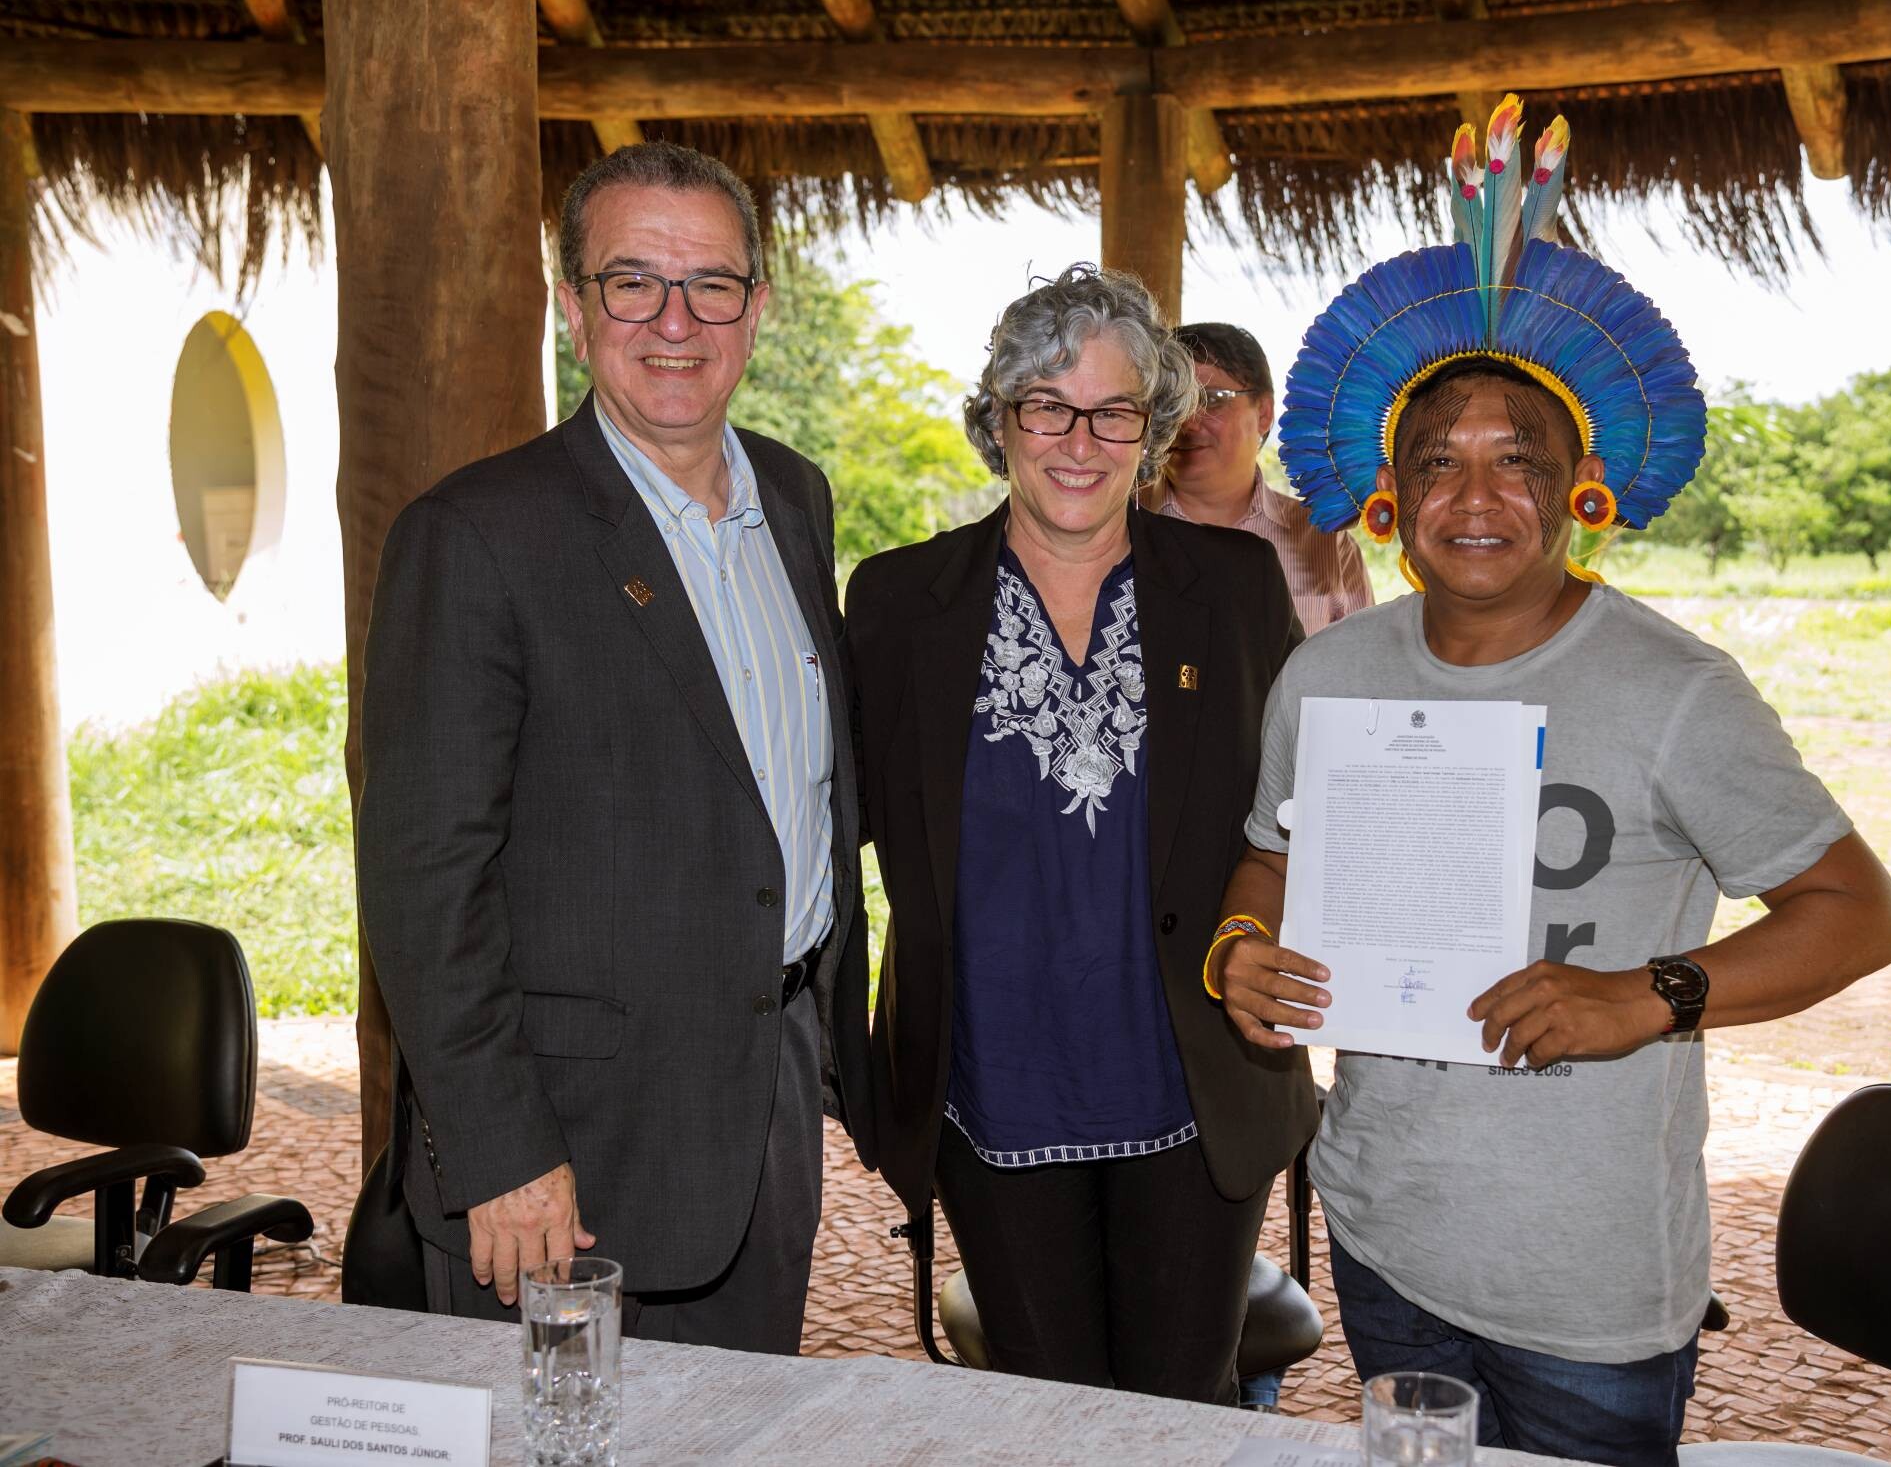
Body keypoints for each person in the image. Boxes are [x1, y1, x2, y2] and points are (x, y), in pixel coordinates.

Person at [1210, 102, 1891, 1466]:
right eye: (1439, 465)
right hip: (1383, 1230)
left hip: (1588, 1281)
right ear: (1387, 500)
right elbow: (1270, 855)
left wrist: (1650, 996)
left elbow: (1858, 911)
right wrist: (1244, 946)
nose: (1476, 497)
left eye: (1514, 461)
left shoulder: (1673, 690)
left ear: (1580, 484)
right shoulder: (1330, 675)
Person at [355, 141, 873, 1350]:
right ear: (574, 311)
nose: (674, 320)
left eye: (710, 285)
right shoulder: (476, 535)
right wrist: (500, 1151)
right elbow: (426, 878)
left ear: (757, 308)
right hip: (566, 1150)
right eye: (632, 281)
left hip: (766, 1099)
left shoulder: (795, 499)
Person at [844, 265, 1318, 1405]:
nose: (1077, 440)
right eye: (1045, 406)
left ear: (1155, 430)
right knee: (1043, 1405)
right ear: (997, 418)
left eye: (1114, 412)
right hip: (989, 1078)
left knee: (1178, 1405)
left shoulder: (1238, 586)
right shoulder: (902, 601)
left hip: (1189, 1077)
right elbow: (824, 821)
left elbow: (1306, 808)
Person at [1148, 321, 1372, 634]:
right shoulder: (1120, 528)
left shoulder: (1325, 544)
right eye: (1171, 403)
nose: (1188, 422)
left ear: (1264, 413)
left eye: (1211, 399)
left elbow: (1360, 671)